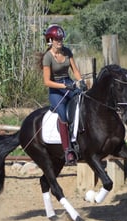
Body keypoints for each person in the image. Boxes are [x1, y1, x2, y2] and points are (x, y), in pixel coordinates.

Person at [41, 24, 86, 166]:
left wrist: (81, 81)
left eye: (61, 39)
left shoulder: (67, 52)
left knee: (84, 103)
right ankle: (68, 151)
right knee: (64, 115)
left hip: (69, 83)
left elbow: (75, 70)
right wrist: (64, 86)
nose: (60, 42)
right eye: (57, 39)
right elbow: (47, 82)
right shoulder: (47, 57)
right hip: (56, 89)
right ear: (50, 40)